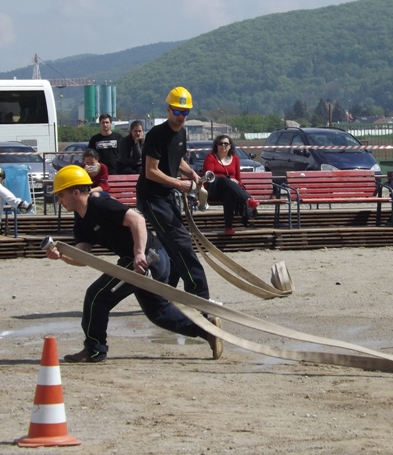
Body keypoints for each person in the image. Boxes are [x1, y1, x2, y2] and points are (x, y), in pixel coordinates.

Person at [45, 166, 222, 363]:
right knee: (158, 312)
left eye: (61, 195)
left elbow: (137, 220)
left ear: (76, 192)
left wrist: (139, 254)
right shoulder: (81, 217)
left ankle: (94, 350)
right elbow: (83, 256)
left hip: (148, 258)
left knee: (96, 296)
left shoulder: (100, 203)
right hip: (142, 260)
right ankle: (208, 330)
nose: (59, 201)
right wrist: (62, 255)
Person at [136, 86, 212, 300]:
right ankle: (199, 295)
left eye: (185, 112)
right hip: (151, 197)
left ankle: (164, 293)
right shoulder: (156, 134)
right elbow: (150, 171)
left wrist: (192, 174)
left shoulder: (182, 133)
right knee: (181, 242)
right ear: (168, 110)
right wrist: (179, 184)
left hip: (167, 195)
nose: (181, 116)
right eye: (177, 111)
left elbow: (176, 159)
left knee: (173, 243)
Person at [201, 134, 260, 235]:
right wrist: (229, 179)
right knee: (224, 180)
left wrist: (240, 188)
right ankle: (248, 199)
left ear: (230, 146)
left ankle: (228, 227)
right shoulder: (211, 157)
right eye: (220, 143)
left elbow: (238, 179)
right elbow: (209, 176)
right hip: (213, 189)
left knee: (230, 193)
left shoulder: (235, 159)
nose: (223, 145)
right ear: (216, 146)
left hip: (228, 190)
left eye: (226, 143)